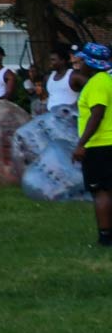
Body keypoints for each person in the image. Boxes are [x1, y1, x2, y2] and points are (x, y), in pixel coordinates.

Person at [71, 43, 112, 246]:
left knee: (101, 191)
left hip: (100, 145)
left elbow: (97, 114)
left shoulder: (97, 83)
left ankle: (105, 237)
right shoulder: (108, 80)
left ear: (90, 63)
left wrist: (81, 144)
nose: (79, 64)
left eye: (82, 60)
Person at [40, 48, 81, 113]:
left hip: (69, 119)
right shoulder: (47, 78)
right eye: (50, 60)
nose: (50, 62)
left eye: (53, 60)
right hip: (51, 117)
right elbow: (48, 95)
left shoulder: (74, 76)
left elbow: (90, 89)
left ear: (62, 60)